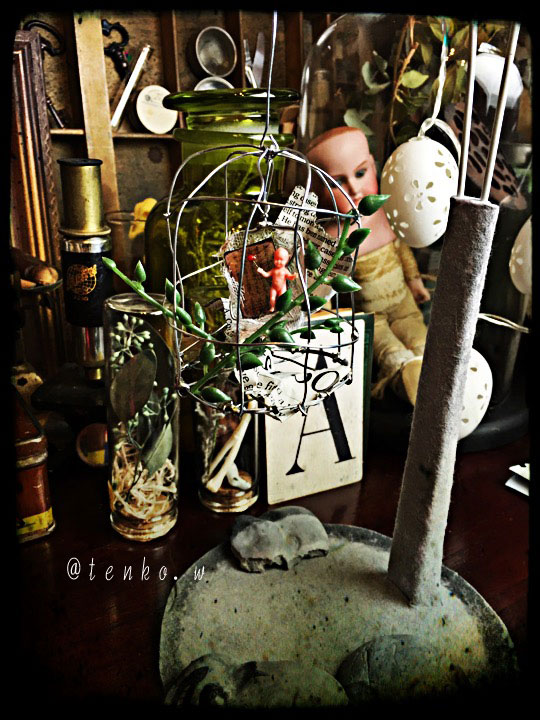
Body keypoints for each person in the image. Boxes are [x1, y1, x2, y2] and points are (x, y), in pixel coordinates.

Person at [306, 126, 430, 405]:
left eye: (360, 173)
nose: (354, 188)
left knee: (422, 340)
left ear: (373, 167)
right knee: (390, 353)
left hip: (404, 304)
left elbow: (401, 251)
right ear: (318, 190)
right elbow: (324, 285)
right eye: (338, 182)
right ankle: (403, 384)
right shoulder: (331, 237)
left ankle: (432, 377)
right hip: (372, 317)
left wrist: (414, 282)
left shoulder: (384, 215)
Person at [256, 247, 298, 313]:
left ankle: (286, 305)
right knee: (272, 298)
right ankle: (272, 307)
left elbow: (289, 277)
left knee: (283, 297)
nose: (278, 262)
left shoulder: (285, 271)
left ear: (287, 260)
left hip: (282, 288)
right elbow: (266, 275)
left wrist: (293, 276)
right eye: (276, 259)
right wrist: (262, 271)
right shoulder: (274, 270)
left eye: (281, 260)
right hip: (274, 288)